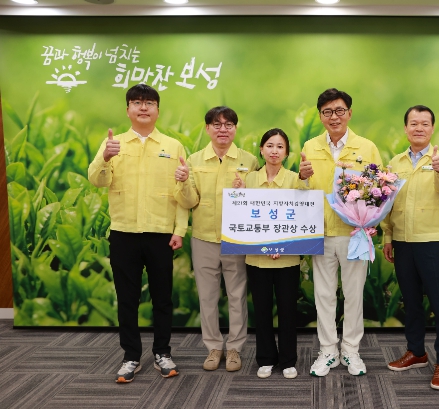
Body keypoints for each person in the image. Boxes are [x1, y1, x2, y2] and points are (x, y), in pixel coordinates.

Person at [87, 83, 185, 383]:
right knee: (127, 299)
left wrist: (179, 230)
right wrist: (105, 158)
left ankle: (162, 352)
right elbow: (96, 180)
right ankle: (130, 356)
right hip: (124, 233)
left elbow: (183, 192)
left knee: (162, 299)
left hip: (160, 234)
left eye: (149, 103)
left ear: (158, 110)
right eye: (137, 102)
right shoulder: (114, 144)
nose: (143, 107)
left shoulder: (173, 146)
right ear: (128, 109)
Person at [299, 88, 382, 376]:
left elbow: (379, 189)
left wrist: (372, 220)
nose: (333, 117)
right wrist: (302, 178)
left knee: (354, 295)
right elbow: (303, 191)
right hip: (320, 234)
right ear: (320, 116)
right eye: (327, 112)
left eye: (339, 111)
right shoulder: (310, 146)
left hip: (353, 234)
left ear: (349, 113)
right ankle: (327, 351)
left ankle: (351, 351)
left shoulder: (366, 147)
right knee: (323, 295)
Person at [174, 106, 259, 372]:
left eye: (228, 124)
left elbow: (259, 200)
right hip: (204, 238)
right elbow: (189, 201)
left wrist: (246, 191)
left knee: (237, 295)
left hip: (236, 239)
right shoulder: (194, 160)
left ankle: (234, 348)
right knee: (207, 297)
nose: (223, 129)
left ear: (236, 128)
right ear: (207, 128)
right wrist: (184, 181)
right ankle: (213, 347)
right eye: (217, 124)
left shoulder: (249, 161)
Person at [382, 105, 439, 390]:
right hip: (403, 241)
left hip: (432, 241)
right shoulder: (396, 162)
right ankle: (416, 352)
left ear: (432, 129)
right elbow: (388, 203)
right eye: (414, 123)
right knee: (410, 301)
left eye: (425, 123)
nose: (419, 128)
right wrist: (388, 237)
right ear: (405, 128)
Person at [239, 128, 306, 379]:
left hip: (287, 259)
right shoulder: (249, 179)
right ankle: (266, 358)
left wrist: (280, 246)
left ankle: (288, 360)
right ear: (261, 150)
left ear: (287, 152)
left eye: (280, 146)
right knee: (262, 310)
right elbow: (244, 217)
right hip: (257, 259)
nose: (274, 151)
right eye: (269, 145)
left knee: (288, 311)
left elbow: (302, 217)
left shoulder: (295, 180)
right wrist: (237, 192)